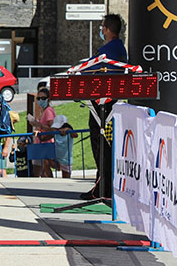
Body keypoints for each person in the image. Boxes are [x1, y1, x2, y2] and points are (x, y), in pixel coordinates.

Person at [81, 13, 127, 200]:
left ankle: (102, 188)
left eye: (102, 27)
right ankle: (103, 186)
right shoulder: (119, 49)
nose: (101, 30)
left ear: (107, 29)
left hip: (103, 106)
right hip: (108, 103)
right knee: (105, 145)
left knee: (101, 145)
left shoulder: (108, 51)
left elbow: (88, 70)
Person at [49, 114, 78, 178]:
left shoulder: (69, 132)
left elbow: (76, 135)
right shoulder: (55, 132)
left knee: (66, 179)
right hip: (57, 159)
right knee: (45, 161)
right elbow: (44, 138)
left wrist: (68, 130)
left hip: (66, 161)